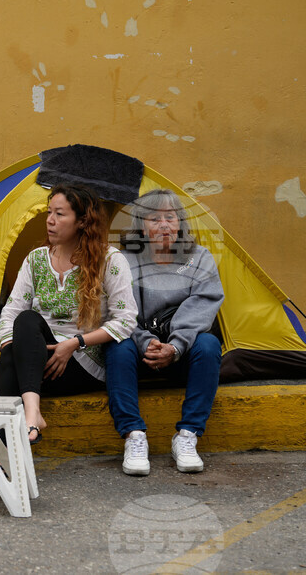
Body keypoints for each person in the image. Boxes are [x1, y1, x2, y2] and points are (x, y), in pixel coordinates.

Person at [0, 183, 137, 483]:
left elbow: (126, 320)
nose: (49, 220)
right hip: (37, 363)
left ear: (83, 221)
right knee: (25, 321)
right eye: (49, 212)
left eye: (60, 214)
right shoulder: (35, 260)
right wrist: (14, 348)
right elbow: (9, 314)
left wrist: (74, 343)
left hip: (81, 362)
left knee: (22, 336)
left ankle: (0, 454)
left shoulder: (110, 261)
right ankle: (32, 415)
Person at [106, 189, 224, 475]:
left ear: (181, 222)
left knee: (209, 345)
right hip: (140, 351)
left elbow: (204, 303)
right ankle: (133, 435)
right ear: (140, 226)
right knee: (116, 346)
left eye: (170, 217)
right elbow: (115, 309)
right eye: (154, 218)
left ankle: (187, 436)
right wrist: (145, 341)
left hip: (182, 351)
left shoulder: (199, 257)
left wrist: (175, 346)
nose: (163, 225)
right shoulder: (124, 260)